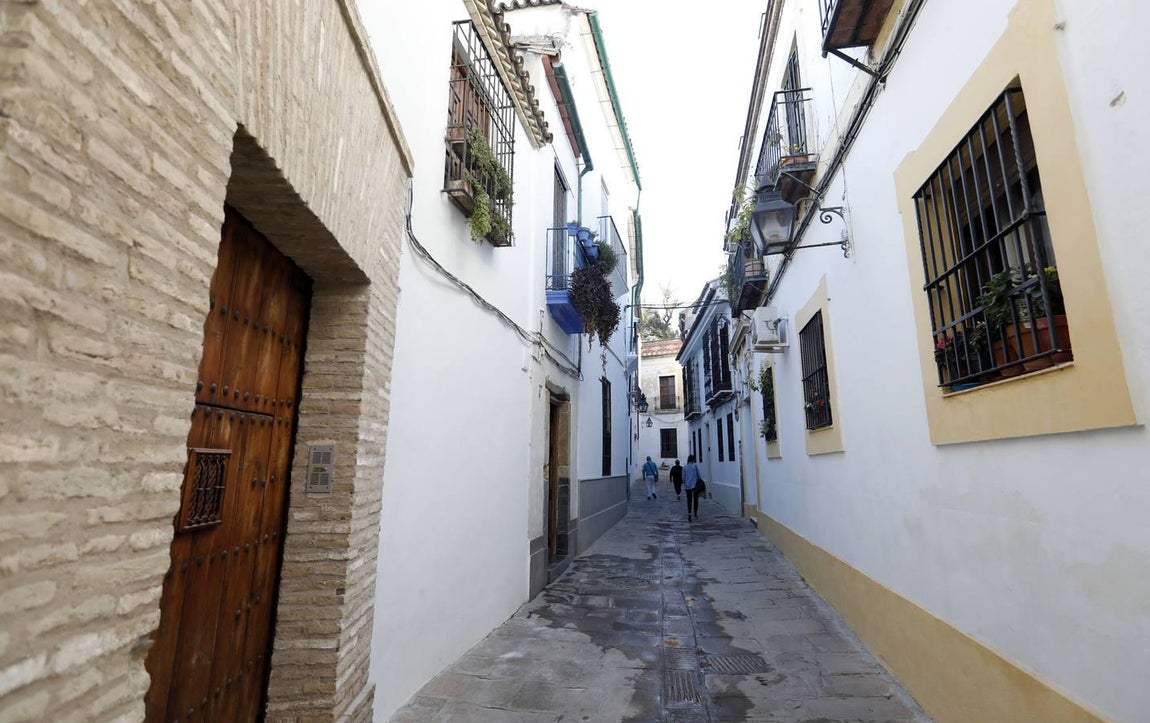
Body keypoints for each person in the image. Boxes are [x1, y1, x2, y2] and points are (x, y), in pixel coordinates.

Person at [682, 454, 704, 521]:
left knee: (689, 500)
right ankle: (695, 513)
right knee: (695, 500)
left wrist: (685, 484)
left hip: (688, 486)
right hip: (695, 486)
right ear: (693, 459)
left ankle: (689, 513)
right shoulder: (695, 466)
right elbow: (699, 476)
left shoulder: (684, 467)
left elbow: (683, 477)